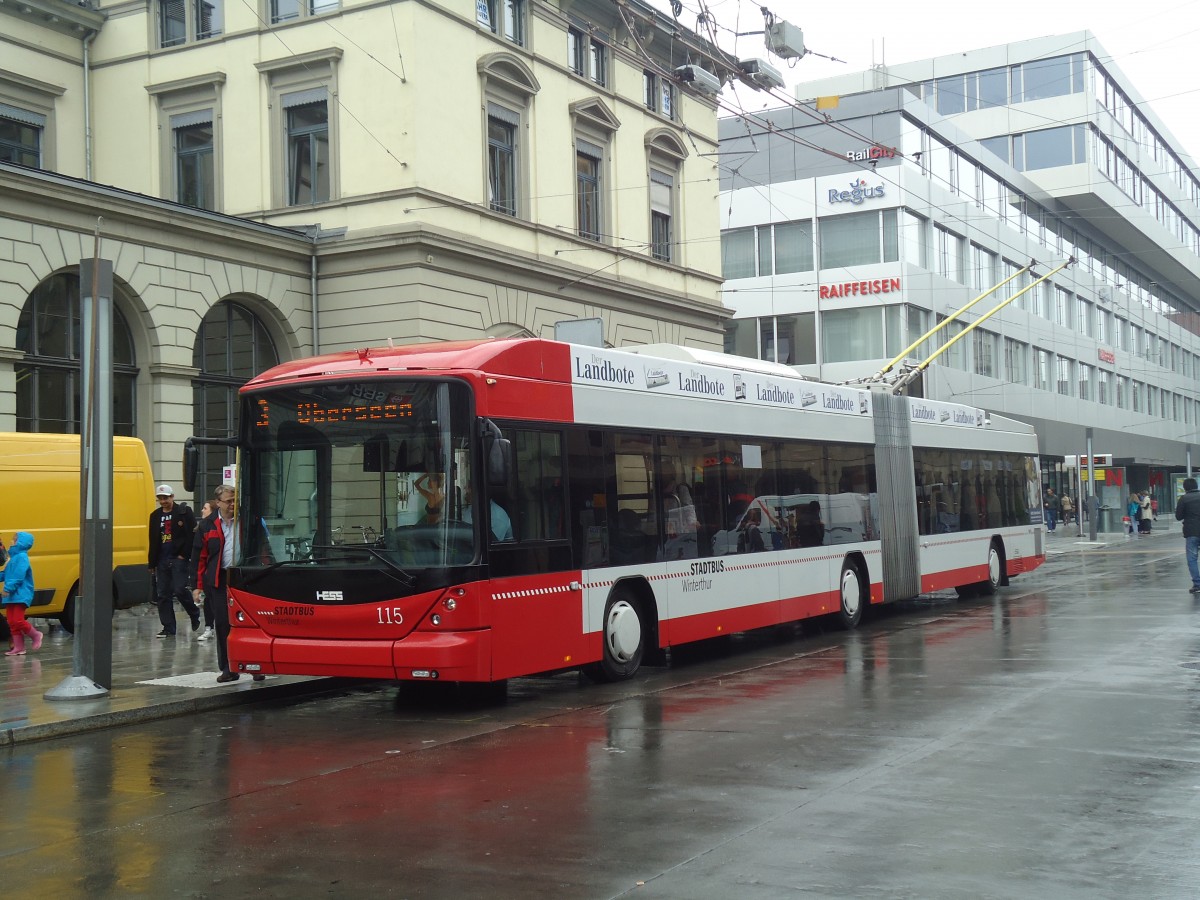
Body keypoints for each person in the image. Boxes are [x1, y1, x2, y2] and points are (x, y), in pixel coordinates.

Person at [188, 485, 265, 683]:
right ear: (218, 503)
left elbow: (264, 547)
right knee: (222, 624)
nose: (232, 504)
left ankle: (256, 666)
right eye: (229, 501)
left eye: (234, 500)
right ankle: (228, 668)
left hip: (245, 579)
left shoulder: (248, 521)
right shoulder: (207, 525)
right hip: (219, 580)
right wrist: (196, 586)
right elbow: (199, 558)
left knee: (252, 625)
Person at [148, 484, 201, 638]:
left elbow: (192, 535)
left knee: (179, 589)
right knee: (163, 594)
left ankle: (194, 612)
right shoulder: (155, 516)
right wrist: (152, 563)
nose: (163, 501)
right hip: (161, 559)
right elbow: (152, 539)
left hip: (178, 558)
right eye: (160, 498)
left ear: (172, 497)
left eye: (166, 498)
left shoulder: (183, 512)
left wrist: (184, 555)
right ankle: (168, 627)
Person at [2, 532, 42, 656]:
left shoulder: (22, 558)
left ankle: (36, 635)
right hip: (12, 595)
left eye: (14, 540)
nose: (11, 542)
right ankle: (19, 647)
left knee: (18, 620)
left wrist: (8, 588)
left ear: (21, 543)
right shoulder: (13, 558)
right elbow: (6, 574)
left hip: (20, 594)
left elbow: (18, 576)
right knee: (11, 621)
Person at [193, 500, 217, 642]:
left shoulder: (215, 526)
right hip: (208, 573)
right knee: (208, 600)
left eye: (205, 508)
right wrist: (198, 584)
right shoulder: (203, 527)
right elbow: (199, 556)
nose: (202, 511)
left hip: (216, 571)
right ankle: (209, 627)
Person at [1176, 478, 1200, 594]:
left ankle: (1197, 584)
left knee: (1192, 559)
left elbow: (1178, 516)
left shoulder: (1184, 499)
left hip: (1191, 532)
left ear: (1185, 488)